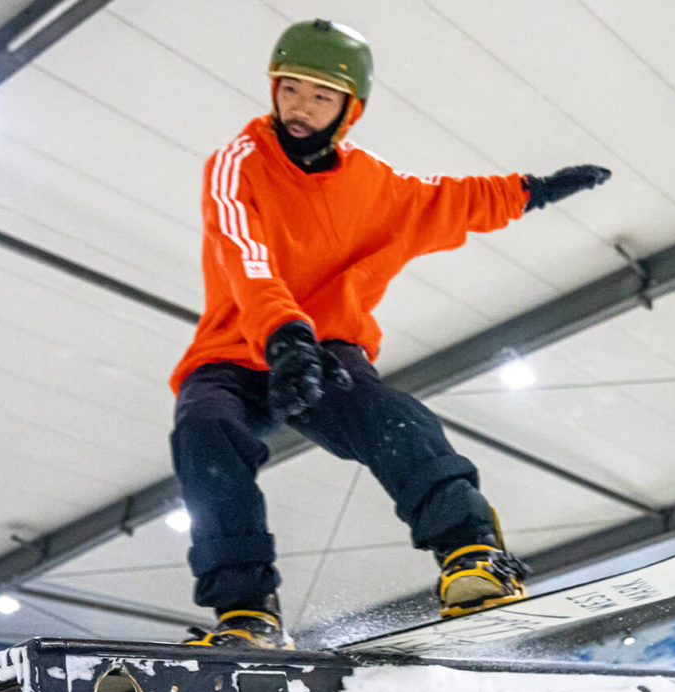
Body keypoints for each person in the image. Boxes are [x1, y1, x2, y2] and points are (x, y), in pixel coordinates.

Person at [170, 19, 610, 648]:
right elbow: (246, 256)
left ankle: (471, 553)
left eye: (320, 96)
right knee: (204, 429)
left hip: (326, 348)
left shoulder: (371, 185)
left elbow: (448, 202)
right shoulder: (236, 165)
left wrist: (531, 191)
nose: (299, 108)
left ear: (350, 109)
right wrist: (283, 333)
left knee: (387, 414)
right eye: (290, 90)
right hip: (236, 348)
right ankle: (246, 611)